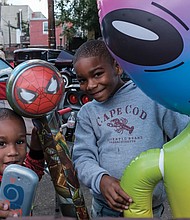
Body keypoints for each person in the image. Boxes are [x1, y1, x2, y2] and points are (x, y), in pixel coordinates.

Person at [72, 39, 190, 218]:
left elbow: (184, 139)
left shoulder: (152, 97)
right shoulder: (88, 113)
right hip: (106, 211)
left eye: (97, 74)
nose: (90, 85)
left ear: (117, 67)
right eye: (82, 80)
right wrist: (101, 180)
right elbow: (82, 157)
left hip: (150, 209)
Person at [0, 108, 45, 218]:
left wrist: (36, 147)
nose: (13, 152)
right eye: (1, 144)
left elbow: (34, 170)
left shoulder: (21, 175)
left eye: (19, 142)